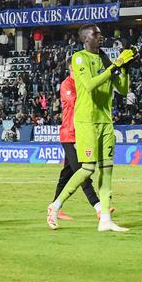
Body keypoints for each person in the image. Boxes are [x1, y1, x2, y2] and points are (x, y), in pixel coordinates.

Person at [47, 25, 132, 232]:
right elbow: (90, 84)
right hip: (86, 121)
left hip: (105, 121)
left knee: (107, 171)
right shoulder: (79, 58)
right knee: (87, 169)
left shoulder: (105, 60)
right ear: (85, 38)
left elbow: (122, 89)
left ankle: (105, 220)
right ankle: (55, 206)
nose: (101, 37)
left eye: (100, 33)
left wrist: (125, 67)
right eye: (96, 34)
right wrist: (115, 66)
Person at [50, 66, 103, 222]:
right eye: (76, 69)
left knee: (67, 173)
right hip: (69, 135)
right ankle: (98, 206)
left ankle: (54, 206)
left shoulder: (82, 83)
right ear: (70, 69)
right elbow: (75, 102)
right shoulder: (67, 84)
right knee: (82, 171)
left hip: (80, 135)